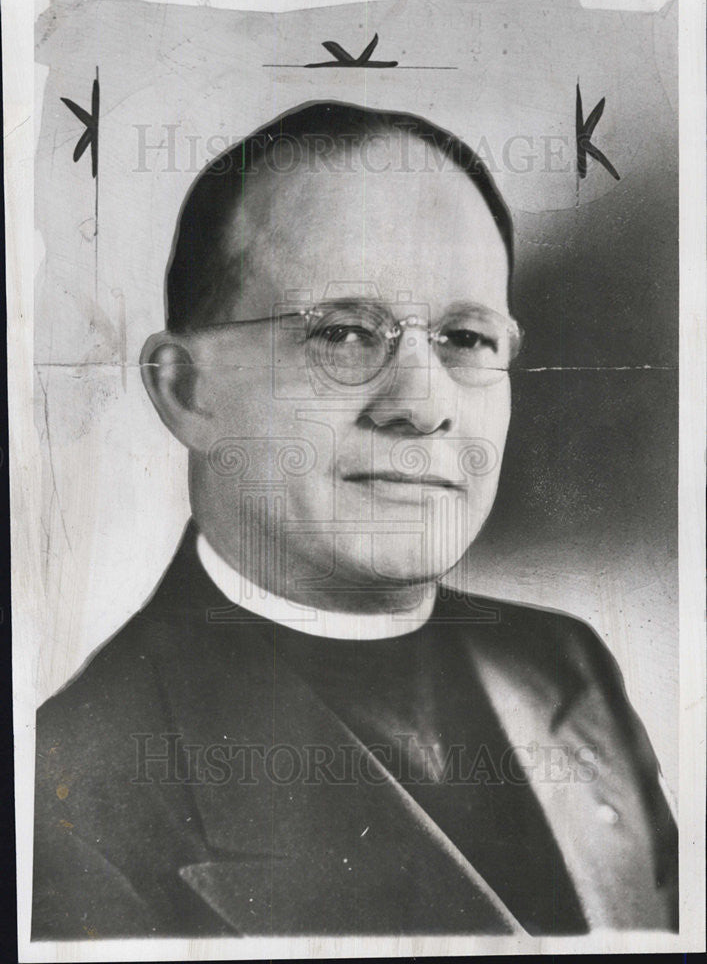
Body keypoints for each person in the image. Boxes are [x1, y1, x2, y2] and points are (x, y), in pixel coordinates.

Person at [32, 102, 677, 938]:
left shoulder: (564, 664)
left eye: (466, 338)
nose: (420, 405)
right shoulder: (72, 794)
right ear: (188, 391)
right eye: (341, 333)